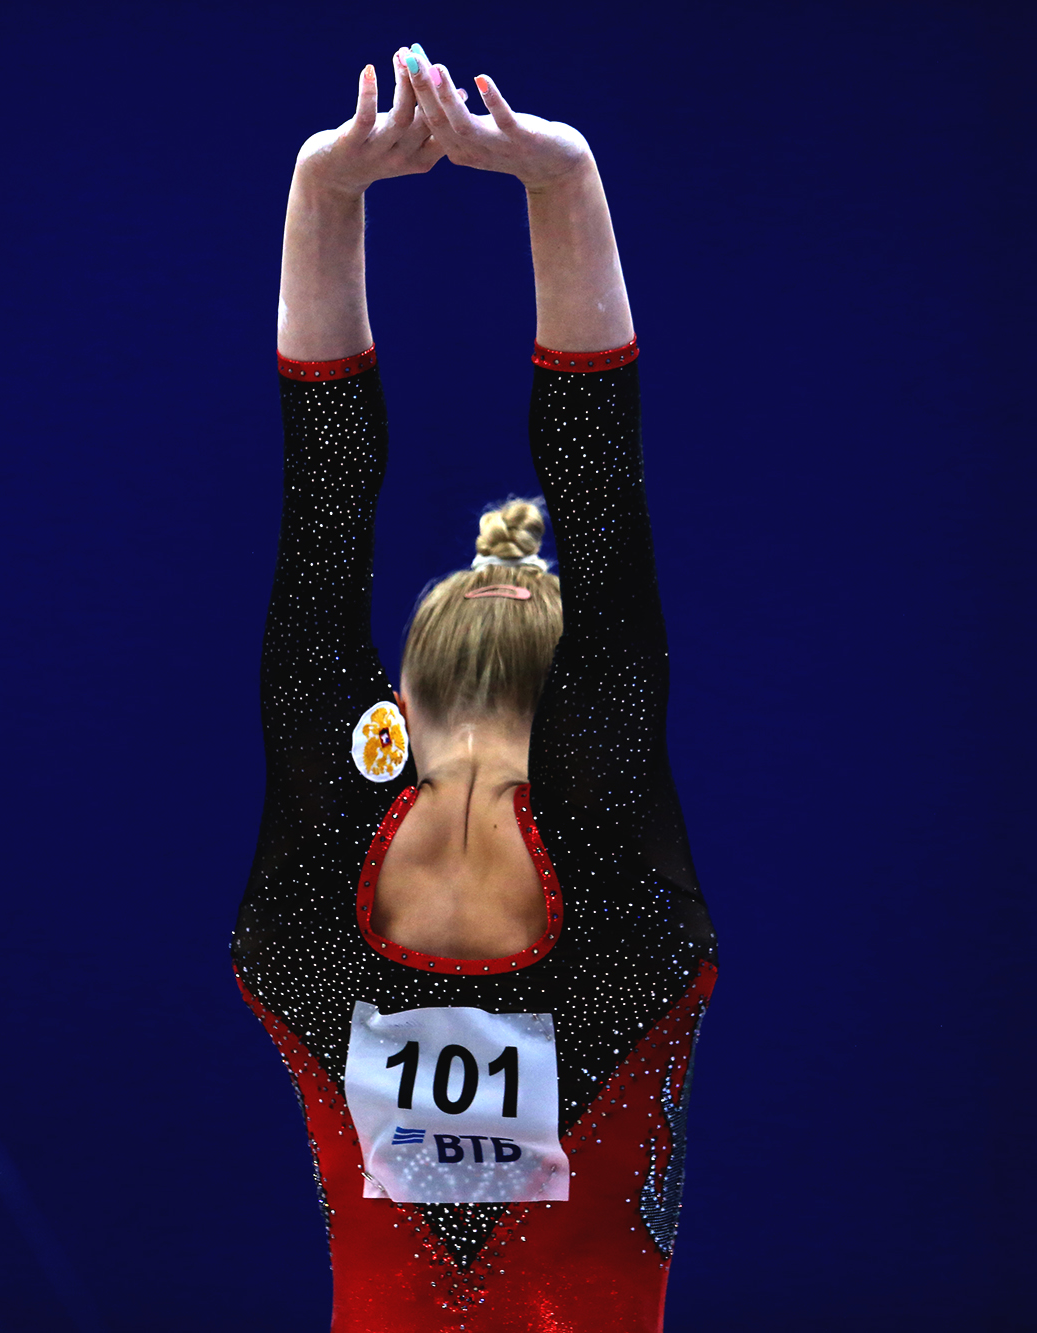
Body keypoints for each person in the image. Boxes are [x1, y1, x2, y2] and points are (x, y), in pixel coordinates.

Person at [232, 43, 717, 1331]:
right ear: (577, 707)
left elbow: (324, 505)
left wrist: (324, 189)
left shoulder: (329, 848)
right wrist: (564, 180)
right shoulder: (601, 837)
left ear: (395, 701)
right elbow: (600, 498)